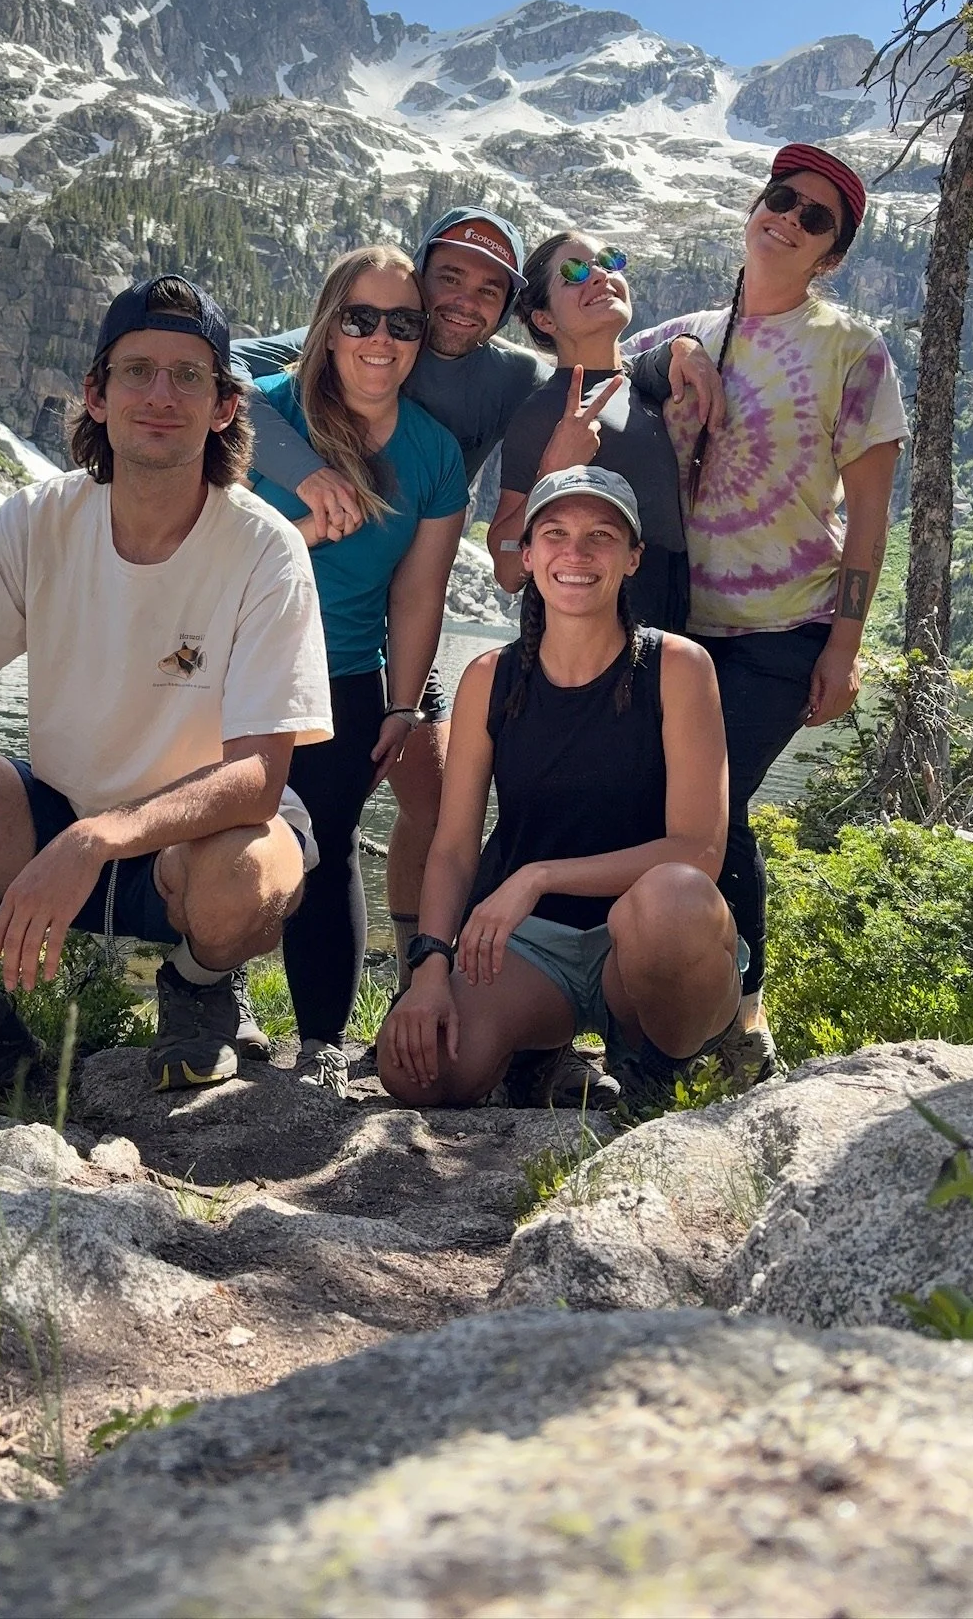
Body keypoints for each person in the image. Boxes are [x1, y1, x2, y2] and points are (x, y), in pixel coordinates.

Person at [0, 274, 333, 1142]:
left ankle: (201, 988)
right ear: (96, 396)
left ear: (223, 407)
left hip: (196, 837)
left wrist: (96, 840)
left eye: (188, 375)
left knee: (249, 875)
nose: (160, 396)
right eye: (137, 372)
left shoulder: (264, 548)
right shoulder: (39, 520)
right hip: (58, 812)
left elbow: (257, 775)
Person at [234, 208, 723, 981]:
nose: (462, 302)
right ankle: (271, 969)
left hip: (406, 598)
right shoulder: (366, 332)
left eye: (488, 288)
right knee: (297, 807)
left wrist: (675, 354)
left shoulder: (515, 375)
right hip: (299, 616)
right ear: (415, 285)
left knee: (425, 794)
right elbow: (216, 374)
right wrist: (303, 473)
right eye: (448, 280)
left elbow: (595, 365)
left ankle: (411, 969)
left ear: (508, 309)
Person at [622, 142, 907, 1083]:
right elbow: (592, 368)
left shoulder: (854, 354)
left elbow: (869, 517)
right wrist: (678, 350)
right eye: (781, 198)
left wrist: (847, 644)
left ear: (831, 254)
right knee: (676, 811)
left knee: (707, 809)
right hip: (674, 628)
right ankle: (692, 1014)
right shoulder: (690, 329)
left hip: (785, 634)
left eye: (815, 217)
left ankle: (732, 1020)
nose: (787, 218)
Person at [378, 465, 740, 1115]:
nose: (576, 553)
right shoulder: (491, 677)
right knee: (415, 1072)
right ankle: (531, 1052)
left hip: (645, 938)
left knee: (675, 899)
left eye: (601, 535)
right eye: (556, 533)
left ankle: (657, 1071)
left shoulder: (679, 668)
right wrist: (430, 967)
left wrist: (539, 875)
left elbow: (698, 852)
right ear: (529, 552)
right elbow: (455, 848)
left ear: (632, 557)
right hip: (526, 946)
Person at [247, 247, 468, 1095]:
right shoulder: (263, 414)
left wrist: (403, 705)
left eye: (403, 323)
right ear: (329, 327)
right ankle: (213, 1001)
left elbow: (418, 594)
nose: (382, 339)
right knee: (219, 834)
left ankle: (320, 1047)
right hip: (229, 667)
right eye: (361, 318)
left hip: (342, 678)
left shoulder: (433, 452)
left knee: (327, 845)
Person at [490, 232, 689, 630]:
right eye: (574, 272)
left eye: (609, 261)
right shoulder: (544, 412)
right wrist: (552, 471)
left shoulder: (651, 384)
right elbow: (508, 567)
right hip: (592, 644)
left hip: (673, 630)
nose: (598, 275)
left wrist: (686, 347)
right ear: (544, 319)